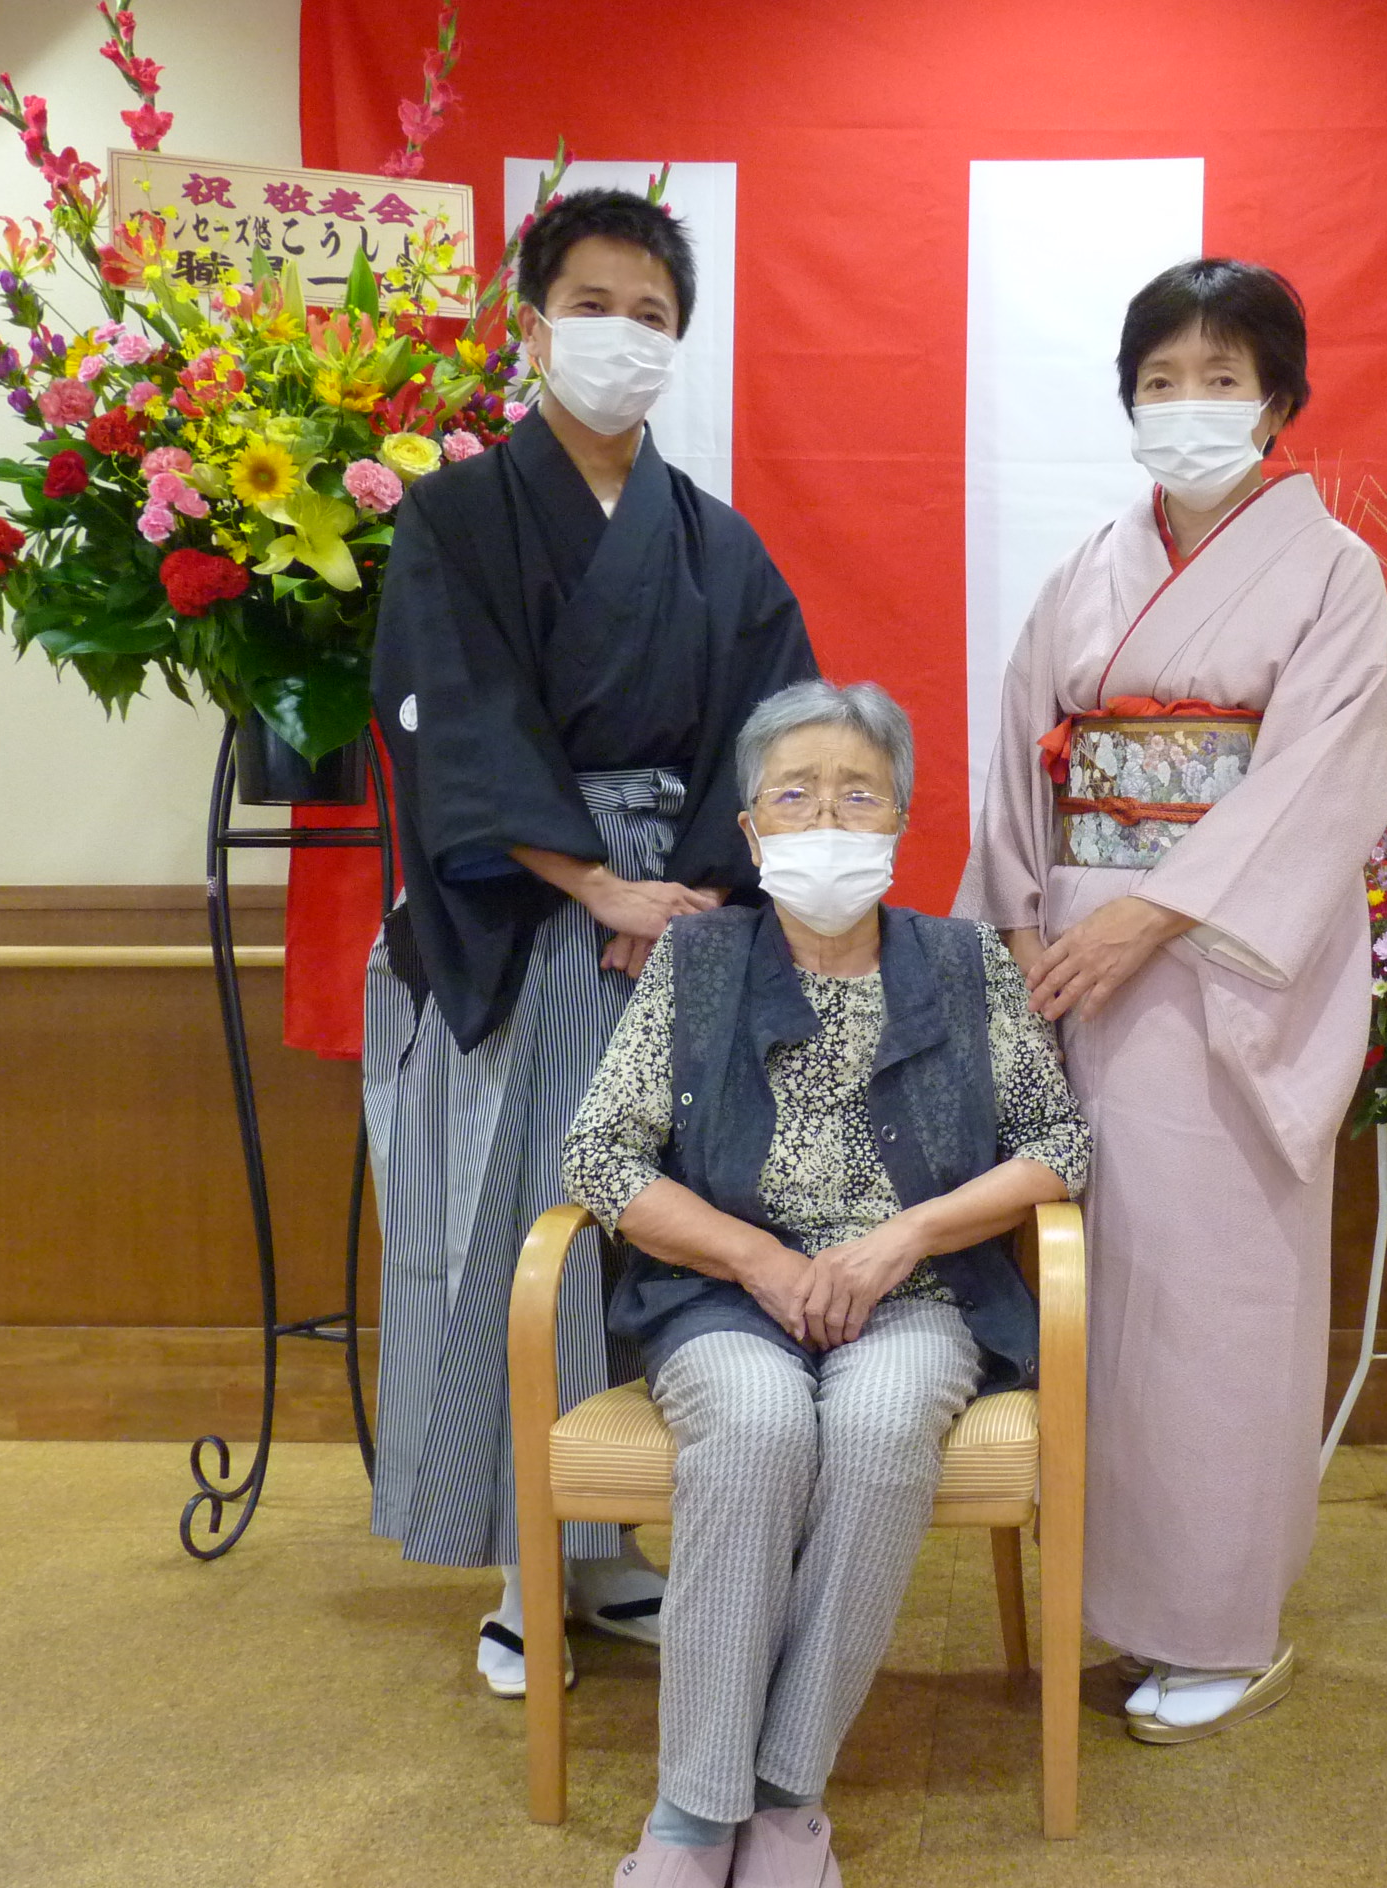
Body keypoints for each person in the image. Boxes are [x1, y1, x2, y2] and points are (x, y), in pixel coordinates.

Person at [364, 186, 816, 1697]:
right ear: (532, 322)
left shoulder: (716, 545)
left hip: (682, 922)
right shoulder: (454, 518)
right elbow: (454, 726)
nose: (622, 334)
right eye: (592, 305)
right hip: (530, 912)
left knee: (669, 1232)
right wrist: (589, 885)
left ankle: (617, 1547)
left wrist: (693, 898)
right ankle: (527, 1568)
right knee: (529, 1228)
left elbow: (774, 731)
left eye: (651, 313)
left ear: (681, 340)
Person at [956, 258, 1387, 1743]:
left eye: (1222, 379)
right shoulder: (1087, 568)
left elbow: (1322, 779)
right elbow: (1022, 761)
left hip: (1220, 970)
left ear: (1277, 401)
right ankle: (1113, 1597)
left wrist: (1150, 916)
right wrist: (1027, 933)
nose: (1188, 406)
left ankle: (1220, 1623)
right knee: (1096, 1287)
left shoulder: (1331, 571)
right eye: (1161, 381)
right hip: (1077, 968)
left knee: (1213, 1296)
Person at [562, 680, 1089, 1888]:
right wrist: (754, 1256)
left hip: (917, 1296)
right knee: (755, 1428)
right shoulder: (695, 960)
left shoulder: (964, 962)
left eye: (857, 794)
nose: (826, 817)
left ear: (898, 818)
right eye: (793, 796)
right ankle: (695, 1814)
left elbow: (1059, 1143)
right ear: (751, 831)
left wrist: (904, 1239)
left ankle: (786, 1797)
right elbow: (600, 1157)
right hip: (720, 1297)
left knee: (879, 1425)